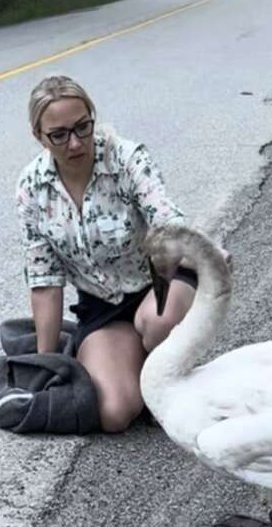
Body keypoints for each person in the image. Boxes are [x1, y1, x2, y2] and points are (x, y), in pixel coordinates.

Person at [16, 75, 196, 433]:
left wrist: (199, 252)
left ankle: (168, 374)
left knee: (157, 322)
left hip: (161, 280)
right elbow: (45, 283)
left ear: (92, 118)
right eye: (59, 135)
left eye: (83, 127)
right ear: (39, 136)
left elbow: (167, 221)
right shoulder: (32, 188)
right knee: (114, 413)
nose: (75, 143)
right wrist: (46, 365)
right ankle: (138, 366)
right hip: (103, 307)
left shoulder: (127, 158)